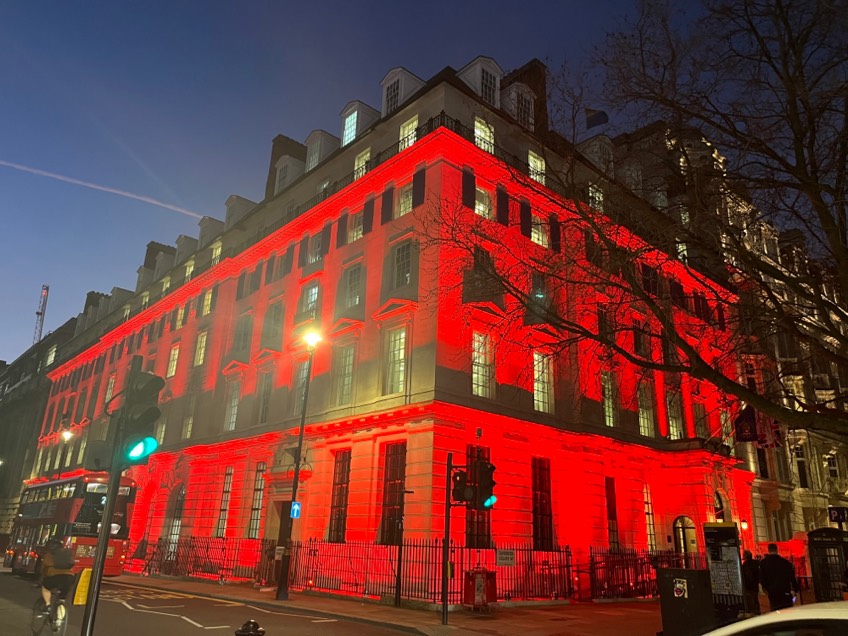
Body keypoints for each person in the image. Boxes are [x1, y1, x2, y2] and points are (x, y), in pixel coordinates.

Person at [759, 543, 797, 611]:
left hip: (772, 591)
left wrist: (765, 589)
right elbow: (791, 576)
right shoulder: (785, 562)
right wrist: (795, 588)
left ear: (768, 550)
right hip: (784, 590)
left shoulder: (763, 563)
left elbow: (762, 578)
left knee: (775, 609)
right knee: (787, 609)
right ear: (777, 550)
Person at [39, 538, 76, 608]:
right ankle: (61, 608)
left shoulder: (49, 555)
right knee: (62, 596)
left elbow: (43, 568)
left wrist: (41, 579)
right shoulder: (66, 554)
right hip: (69, 577)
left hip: (54, 577)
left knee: (45, 588)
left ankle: (48, 605)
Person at [741, 550, 761, 615]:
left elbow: (745, 576)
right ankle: (757, 612)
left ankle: (752, 613)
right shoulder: (756, 563)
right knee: (755, 599)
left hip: (748, 586)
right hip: (755, 585)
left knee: (750, 601)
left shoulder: (745, 565)